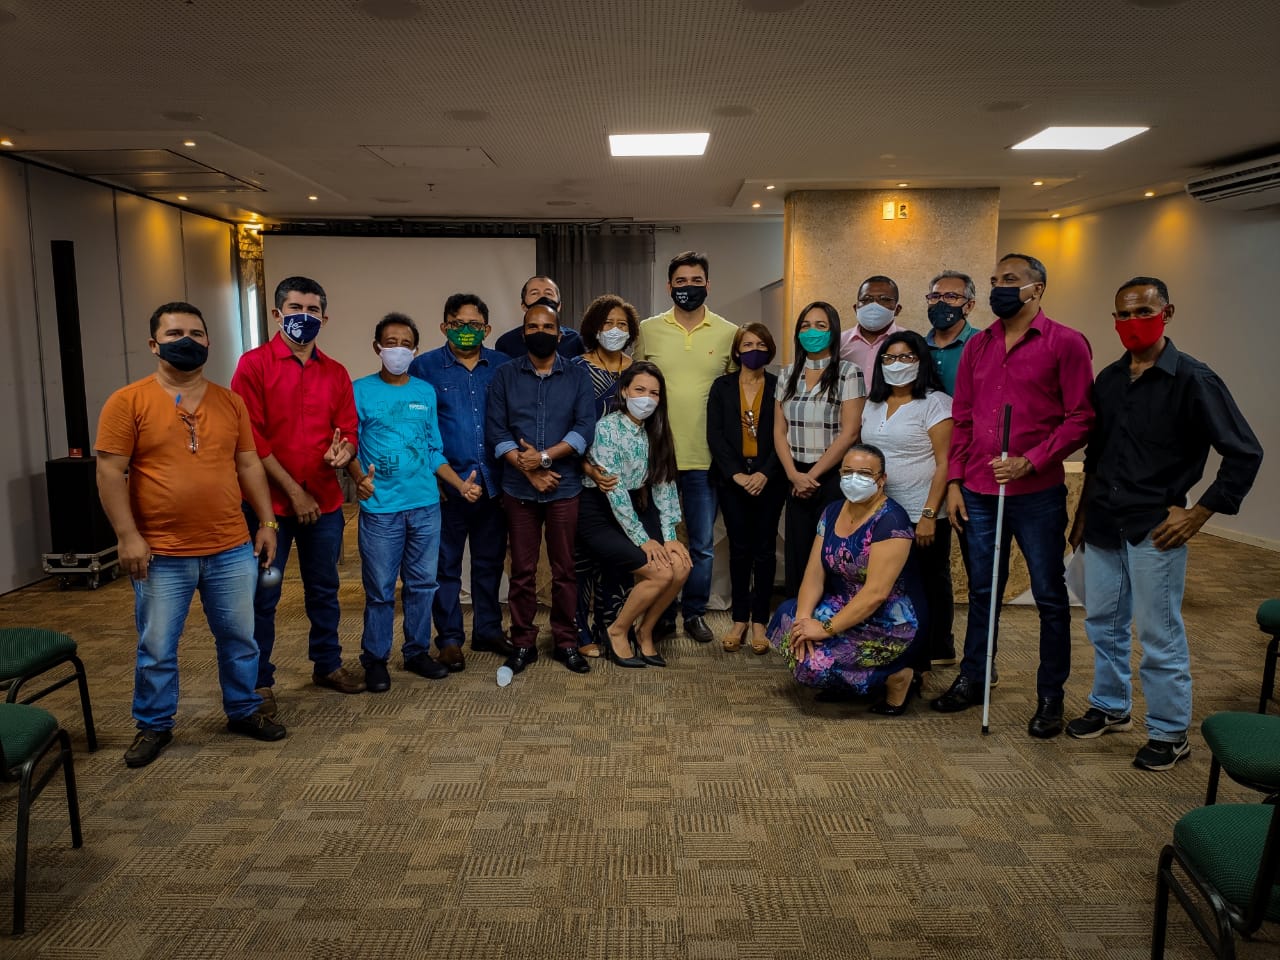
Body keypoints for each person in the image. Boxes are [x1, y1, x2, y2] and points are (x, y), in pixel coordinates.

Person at [1066, 276, 1262, 770]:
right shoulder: (1110, 379)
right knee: (1103, 624)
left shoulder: (1194, 379)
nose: (1132, 322)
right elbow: (1097, 455)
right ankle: (1110, 705)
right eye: (1123, 314)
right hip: (1105, 520)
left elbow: (1244, 452)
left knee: (1159, 633)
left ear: (1167, 313)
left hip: (1156, 524)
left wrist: (1198, 513)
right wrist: (1083, 512)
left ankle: (1170, 732)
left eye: (1143, 312)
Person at [96, 301, 285, 768]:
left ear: (208, 342)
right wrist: (127, 536)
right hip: (161, 552)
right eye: (175, 333)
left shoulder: (229, 401)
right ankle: (154, 724)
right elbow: (110, 472)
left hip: (230, 547)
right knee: (157, 646)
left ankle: (243, 709)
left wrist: (266, 522)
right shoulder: (128, 401)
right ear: (153, 344)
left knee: (240, 638)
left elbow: (248, 464)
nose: (187, 341)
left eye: (196, 334)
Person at [932, 253, 1095, 739]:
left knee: (1049, 594)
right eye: (994, 280)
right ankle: (974, 676)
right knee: (984, 591)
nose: (999, 287)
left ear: (1036, 288)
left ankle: (1051, 695)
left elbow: (1081, 418)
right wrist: (956, 482)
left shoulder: (1066, 343)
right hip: (979, 490)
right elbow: (963, 418)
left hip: (1037, 493)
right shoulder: (978, 346)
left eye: (1010, 280)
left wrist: (1032, 459)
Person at [231, 276, 365, 706]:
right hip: (269, 509)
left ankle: (327, 664)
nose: (303, 317)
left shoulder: (336, 372)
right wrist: (293, 491)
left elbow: (348, 431)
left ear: (324, 318)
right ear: (277, 314)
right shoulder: (253, 366)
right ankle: (258, 679)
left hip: (324, 506)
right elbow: (250, 441)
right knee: (264, 593)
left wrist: (344, 453)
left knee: (324, 589)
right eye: (294, 308)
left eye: (312, 310)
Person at [346, 313, 484, 692]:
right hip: (381, 509)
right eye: (391, 343)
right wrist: (358, 478)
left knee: (423, 584)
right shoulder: (360, 391)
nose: (398, 350)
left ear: (415, 350)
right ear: (377, 347)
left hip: (425, 506)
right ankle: (375, 659)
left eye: (406, 344)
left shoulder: (424, 392)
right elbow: (348, 445)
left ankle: (416, 651)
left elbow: (433, 450)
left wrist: (459, 485)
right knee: (380, 589)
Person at [766, 444, 925, 714]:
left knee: (812, 666)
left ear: (882, 479)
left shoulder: (892, 521)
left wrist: (824, 629)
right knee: (787, 618)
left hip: (885, 620)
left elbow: (875, 594)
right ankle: (848, 680)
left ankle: (896, 676)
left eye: (865, 473)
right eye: (848, 472)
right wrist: (804, 621)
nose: (854, 479)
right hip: (842, 604)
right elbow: (814, 574)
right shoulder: (832, 511)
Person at [485, 300, 596, 675]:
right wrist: (527, 468)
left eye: (548, 327)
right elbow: (496, 430)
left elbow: (584, 428)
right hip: (518, 489)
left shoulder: (577, 375)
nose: (540, 333)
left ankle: (566, 641)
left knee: (565, 570)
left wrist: (544, 458)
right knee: (522, 571)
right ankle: (522, 642)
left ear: (560, 334)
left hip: (564, 487)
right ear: (523, 333)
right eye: (532, 327)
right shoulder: (505, 375)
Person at [632, 251, 737, 645]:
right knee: (657, 542)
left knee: (701, 544)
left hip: (703, 459)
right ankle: (660, 615)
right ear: (669, 286)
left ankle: (694, 613)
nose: (688, 288)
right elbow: (634, 387)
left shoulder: (728, 332)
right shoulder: (648, 330)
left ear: (708, 285)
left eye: (696, 281)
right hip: (655, 458)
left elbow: (732, 395)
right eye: (680, 281)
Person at [410, 294, 513, 670]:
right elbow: (416, 428)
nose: (466, 330)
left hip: (493, 483)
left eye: (474, 325)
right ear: (444, 327)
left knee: (489, 562)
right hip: (446, 486)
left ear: (487, 329)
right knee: (446, 567)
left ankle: (487, 629)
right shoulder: (424, 367)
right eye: (457, 324)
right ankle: (450, 639)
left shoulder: (503, 365)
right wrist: (437, 478)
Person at [579, 362, 692, 667]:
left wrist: (669, 537)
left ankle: (645, 630)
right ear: (625, 391)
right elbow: (615, 492)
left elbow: (664, 486)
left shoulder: (657, 431)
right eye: (640, 390)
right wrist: (644, 540)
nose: (647, 398)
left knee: (680, 566)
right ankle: (617, 630)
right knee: (661, 572)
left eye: (654, 393)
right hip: (599, 512)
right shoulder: (606, 429)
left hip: (636, 509)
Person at [862, 332, 954, 674]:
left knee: (927, 581)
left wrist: (929, 513)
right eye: (889, 358)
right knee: (890, 583)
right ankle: (896, 648)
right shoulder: (873, 403)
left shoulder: (936, 403)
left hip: (921, 511)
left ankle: (936, 648)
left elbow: (944, 463)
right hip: (881, 512)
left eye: (905, 358)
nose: (896, 364)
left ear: (920, 362)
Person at [774, 301, 866, 596]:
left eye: (820, 326)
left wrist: (811, 476)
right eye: (805, 326)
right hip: (795, 475)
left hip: (831, 476)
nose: (811, 331)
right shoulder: (787, 374)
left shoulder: (848, 373)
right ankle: (797, 615)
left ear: (833, 332)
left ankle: (830, 618)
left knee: (831, 551)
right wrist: (794, 475)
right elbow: (779, 431)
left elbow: (850, 432)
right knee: (798, 551)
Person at [707, 323, 785, 654]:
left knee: (765, 550)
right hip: (733, 481)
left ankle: (760, 622)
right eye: (748, 344)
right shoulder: (722, 386)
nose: (754, 349)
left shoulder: (780, 385)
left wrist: (765, 472)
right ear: (737, 351)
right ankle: (739, 619)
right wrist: (736, 474)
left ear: (770, 349)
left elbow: (785, 434)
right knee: (739, 549)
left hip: (771, 478)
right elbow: (715, 434)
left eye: (761, 344)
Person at [572, 294, 640, 657]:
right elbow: (565, 424)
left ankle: (611, 624)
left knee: (619, 558)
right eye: (607, 323)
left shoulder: (638, 371)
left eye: (622, 325)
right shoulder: (575, 369)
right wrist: (588, 468)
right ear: (594, 328)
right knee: (582, 559)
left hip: (626, 484)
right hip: (583, 478)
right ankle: (580, 628)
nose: (615, 330)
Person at [494, 276, 585, 359]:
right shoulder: (506, 342)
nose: (542, 297)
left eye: (549, 293)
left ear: (559, 306)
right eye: (534, 293)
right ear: (523, 306)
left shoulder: (575, 340)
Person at [924, 270, 979, 396]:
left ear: (969, 306)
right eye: (935, 296)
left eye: (951, 297)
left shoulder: (984, 344)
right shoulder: (916, 346)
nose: (940, 303)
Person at [838, 275, 905, 376]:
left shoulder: (909, 342)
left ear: (897, 309)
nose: (874, 305)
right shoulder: (839, 342)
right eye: (866, 299)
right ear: (856, 308)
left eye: (884, 299)